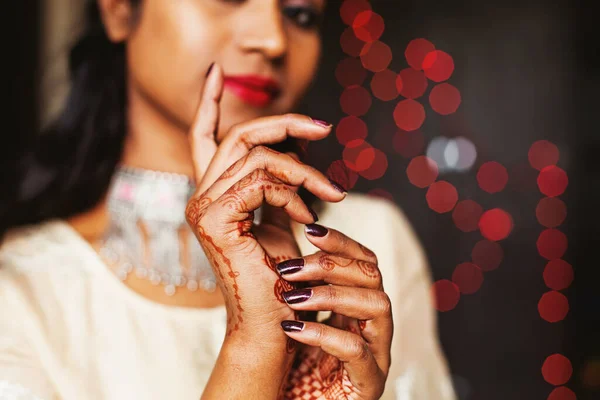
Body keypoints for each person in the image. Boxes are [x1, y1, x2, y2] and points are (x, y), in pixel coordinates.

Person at [0, 0, 456, 399]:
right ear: (119, 7)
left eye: (299, 14)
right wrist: (255, 349)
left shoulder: (366, 249)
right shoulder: (21, 293)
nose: (273, 39)